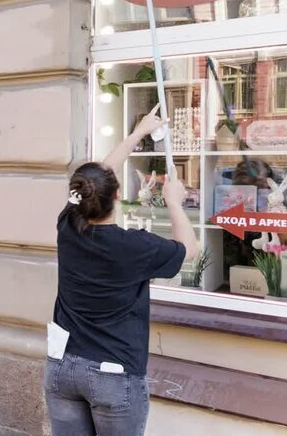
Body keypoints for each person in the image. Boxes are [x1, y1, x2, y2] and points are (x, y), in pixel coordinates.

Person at [46, 105, 198, 435]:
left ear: (78, 195)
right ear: (118, 194)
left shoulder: (68, 226)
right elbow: (190, 250)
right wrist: (173, 202)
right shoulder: (135, 247)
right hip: (113, 374)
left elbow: (97, 176)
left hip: (63, 367)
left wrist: (136, 133)